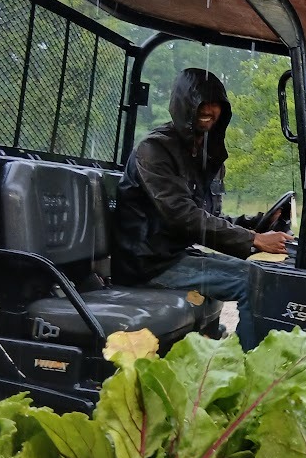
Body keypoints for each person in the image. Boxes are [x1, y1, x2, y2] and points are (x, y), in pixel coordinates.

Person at [111, 67, 293, 348]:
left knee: (267, 275)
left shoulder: (203, 153)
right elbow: (183, 216)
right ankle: (251, 372)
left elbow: (209, 217)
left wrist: (256, 225)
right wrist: (253, 240)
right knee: (254, 284)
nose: (209, 109)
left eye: (215, 103)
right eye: (200, 102)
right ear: (184, 105)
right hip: (148, 264)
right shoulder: (154, 150)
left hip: (177, 255)